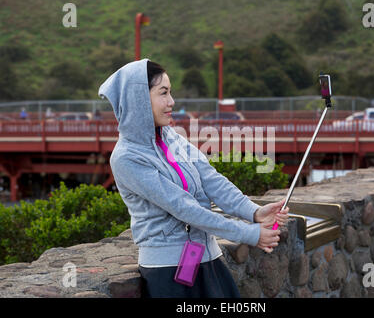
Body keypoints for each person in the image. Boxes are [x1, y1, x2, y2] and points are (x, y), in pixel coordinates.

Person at [98, 59, 289, 298]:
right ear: (137, 99)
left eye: (171, 92)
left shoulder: (172, 138)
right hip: (167, 270)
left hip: (206, 256)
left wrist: (253, 212)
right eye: (163, 93)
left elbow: (212, 180)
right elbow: (183, 208)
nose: (171, 102)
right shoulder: (127, 157)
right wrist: (249, 234)